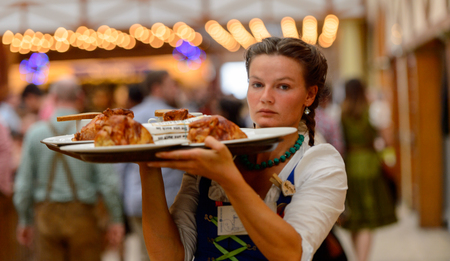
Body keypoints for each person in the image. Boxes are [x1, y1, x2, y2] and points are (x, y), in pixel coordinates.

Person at [138, 37, 348, 261]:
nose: (266, 98)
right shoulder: (215, 148)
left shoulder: (321, 164)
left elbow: (291, 254)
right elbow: (169, 257)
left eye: (283, 86)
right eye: (257, 84)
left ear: (310, 94)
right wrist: (146, 162)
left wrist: (227, 177)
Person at [13, 77, 125, 261]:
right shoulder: (93, 132)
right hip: (84, 215)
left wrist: (24, 220)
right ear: (80, 97)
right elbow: (108, 182)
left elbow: (23, 184)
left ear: (53, 97)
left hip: (46, 218)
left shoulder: (34, 133)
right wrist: (116, 219)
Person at [115, 69, 183, 261]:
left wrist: (122, 198)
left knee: (148, 254)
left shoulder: (135, 116)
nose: (175, 89)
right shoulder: (171, 117)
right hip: (168, 199)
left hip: (135, 198)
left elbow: (120, 164)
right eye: (171, 84)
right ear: (157, 87)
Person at [339, 79, 397, 261]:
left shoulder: (340, 112)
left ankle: (359, 257)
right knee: (366, 221)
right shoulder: (373, 110)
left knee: (354, 218)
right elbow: (388, 141)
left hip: (349, 166)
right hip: (370, 164)